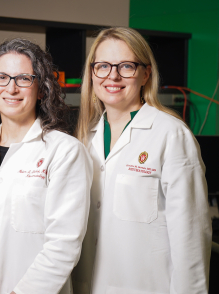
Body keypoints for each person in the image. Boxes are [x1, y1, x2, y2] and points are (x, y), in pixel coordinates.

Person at [0, 38, 92, 294]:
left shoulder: (65, 152)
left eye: (23, 78)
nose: (11, 88)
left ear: (41, 89)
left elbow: (63, 244)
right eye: (1, 77)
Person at [71, 27, 211, 294]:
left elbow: (191, 236)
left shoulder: (171, 134)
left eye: (126, 66)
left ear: (146, 73)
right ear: (92, 73)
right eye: (102, 66)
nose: (112, 75)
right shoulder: (84, 140)